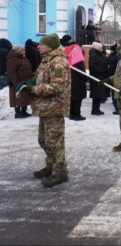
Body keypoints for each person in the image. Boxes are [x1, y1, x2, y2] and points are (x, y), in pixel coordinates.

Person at [16, 33, 71, 187]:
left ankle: (60, 172)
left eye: (41, 44)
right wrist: (28, 82)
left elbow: (57, 86)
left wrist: (33, 89)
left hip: (54, 107)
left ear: (51, 46)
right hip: (45, 108)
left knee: (55, 142)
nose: (38, 46)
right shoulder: (46, 61)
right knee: (44, 140)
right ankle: (51, 166)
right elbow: (40, 78)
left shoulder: (59, 62)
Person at [7, 45, 33, 118]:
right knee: (18, 97)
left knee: (25, 97)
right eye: (22, 50)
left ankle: (24, 111)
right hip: (17, 81)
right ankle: (17, 113)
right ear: (18, 51)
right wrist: (16, 84)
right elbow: (12, 72)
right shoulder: (13, 59)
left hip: (25, 80)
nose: (24, 52)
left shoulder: (22, 58)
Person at [64, 43, 88, 121]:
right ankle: (77, 115)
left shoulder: (70, 62)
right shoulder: (78, 63)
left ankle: (72, 114)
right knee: (78, 100)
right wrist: (86, 78)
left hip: (72, 83)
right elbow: (82, 74)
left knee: (72, 99)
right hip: (78, 83)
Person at [89, 42, 108, 115]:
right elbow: (92, 66)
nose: (102, 49)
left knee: (98, 94)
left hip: (100, 76)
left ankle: (97, 109)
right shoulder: (94, 55)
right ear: (97, 48)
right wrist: (101, 70)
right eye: (101, 48)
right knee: (96, 94)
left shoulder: (98, 55)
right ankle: (94, 110)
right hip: (96, 77)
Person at [107, 44, 119, 115]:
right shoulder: (118, 56)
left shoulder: (113, 57)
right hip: (117, 77)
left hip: (113, 76)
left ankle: (117, 108)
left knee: (114, 93)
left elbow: (111, 68)